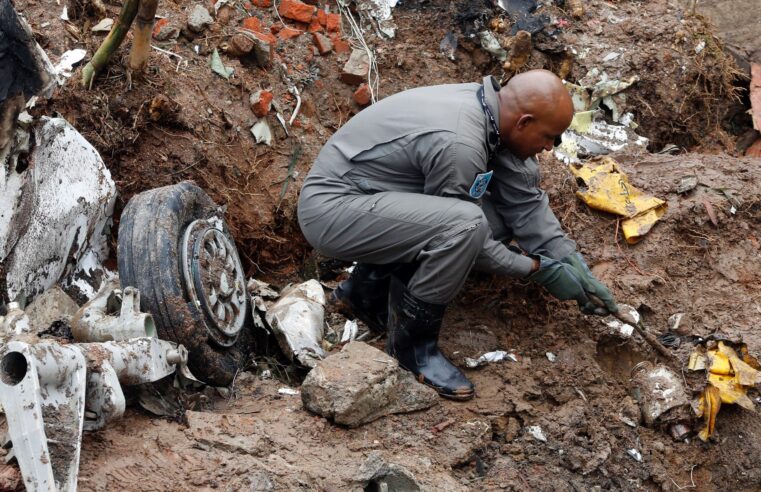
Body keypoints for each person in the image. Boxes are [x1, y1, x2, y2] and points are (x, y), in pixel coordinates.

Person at [297, 70, 618, 401]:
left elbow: (523, 202)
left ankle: (364, 293)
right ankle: (413, 350)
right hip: (332, 210)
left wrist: (568, 258)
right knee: (466, 224)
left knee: (491, 219)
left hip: (373, 198)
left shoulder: (493, 114)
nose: (550, 148)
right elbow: (465, 238)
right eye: (549, 137)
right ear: (523, 122)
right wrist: (537, 269)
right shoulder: (462, 143)